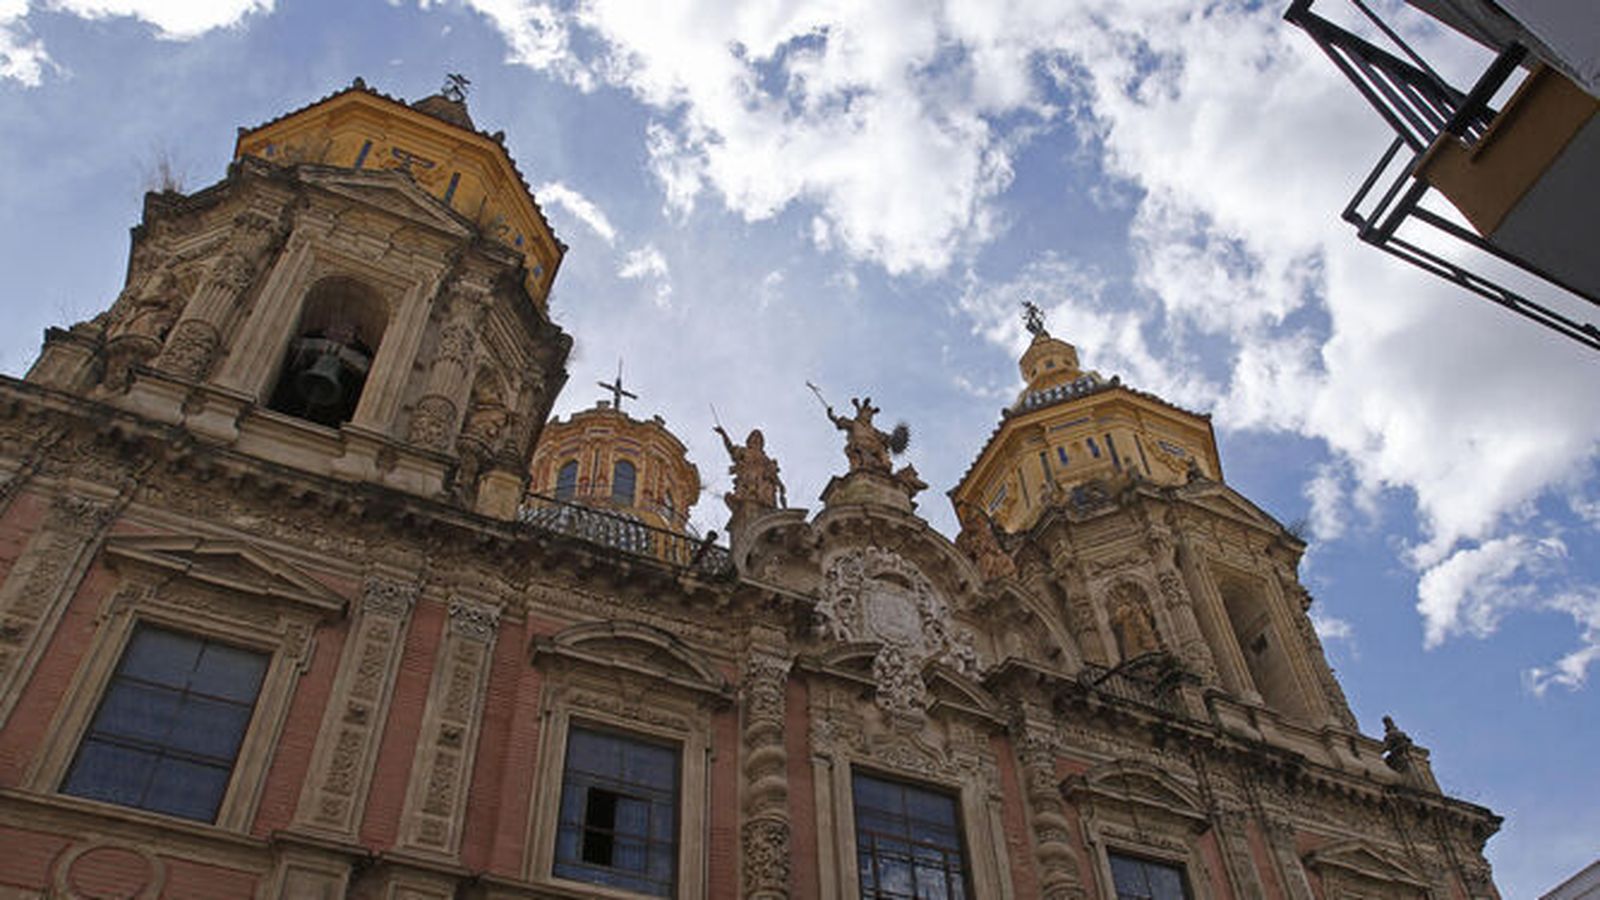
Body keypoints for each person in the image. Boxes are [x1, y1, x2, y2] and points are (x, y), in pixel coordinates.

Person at [715, 425, 786, 508]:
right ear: (749, 440)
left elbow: (773, 474)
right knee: (747, 493)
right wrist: (724, 434)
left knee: (766, 492)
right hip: (747, 480)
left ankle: (766, 505)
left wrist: (780, 485)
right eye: (754, 437)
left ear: (761, 443)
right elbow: (730, 448)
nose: (756, 439)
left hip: (763, 485)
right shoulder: (743, 451)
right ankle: (740, 503)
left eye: (758, 438)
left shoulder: (765, 458)